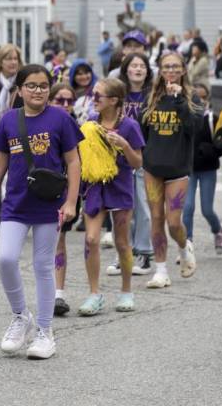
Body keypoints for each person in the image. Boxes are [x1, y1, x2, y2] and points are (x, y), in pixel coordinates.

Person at [0, 64, 83, 359]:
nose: (37, 90)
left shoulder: (61, 118)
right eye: (31, 85)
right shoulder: (9, 121)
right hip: (15, 204)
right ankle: (20, 316)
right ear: (20, 89)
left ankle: (45, 331)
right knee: (5, 259)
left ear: (49, 88)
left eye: (42, 85)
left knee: (42, 266)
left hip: (50, 204)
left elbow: (74, 162)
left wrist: (71, 202)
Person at [78, 78, 144, 315]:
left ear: (114, 100)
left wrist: (124, 145)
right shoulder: (90, 123)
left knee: (122, 241)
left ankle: (127, 291)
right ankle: (94, 294)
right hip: (95, 186)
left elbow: (138, 162)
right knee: (91, 239)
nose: (93, 100)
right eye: (92, 95)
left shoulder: (129, 126)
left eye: (98, 96)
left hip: (121, 186)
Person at [141, 51, 202, 289]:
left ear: (183, 70)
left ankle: (184, 247)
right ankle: (161, 270)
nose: (171, 71)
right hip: (152, 167)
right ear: (160, 70)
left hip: (178, 168)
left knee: (174, 222)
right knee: (156, 218)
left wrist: (178, 100)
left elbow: (193, 128)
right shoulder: (152, 98)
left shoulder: (191, 97)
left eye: (176, 67)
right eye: (167, 67)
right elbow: (142, 131)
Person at [107, 53, 154, 276]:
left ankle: (144, 253)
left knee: (143, 206)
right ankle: (122, 253)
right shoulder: (118, 94)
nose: (138, 69)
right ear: (125, 70)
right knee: (122, 208)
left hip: (144, 155)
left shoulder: (153, 95)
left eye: (142, 66)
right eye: (133, 65)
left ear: (147, 70)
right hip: (118, 158)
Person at [182, 84, 222, 254]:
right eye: (196, 97)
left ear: (208, 99)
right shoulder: (186, 117)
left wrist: (211, 149)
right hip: (189, 168)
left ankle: (217, 230)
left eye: (203, 97)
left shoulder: (212, 118)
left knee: (207, 209)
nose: (200, 101)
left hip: (208, 168)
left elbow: (220, 142)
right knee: (187, 206)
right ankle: (188, 241)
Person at [47, 83, 78, 315]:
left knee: (59, 241)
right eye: (60, 100)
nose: (66, 105)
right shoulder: (38, 120)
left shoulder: (75, 125)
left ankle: (58, 294)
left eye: (70, 101)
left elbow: (77, 162)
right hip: (36, 191)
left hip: (64, 191)